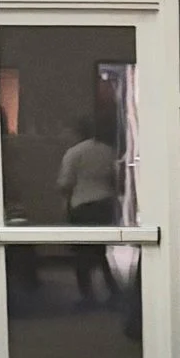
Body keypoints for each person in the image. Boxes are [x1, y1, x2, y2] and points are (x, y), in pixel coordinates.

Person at [57, 114, 119, 301]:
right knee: (101, 251)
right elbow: (115, 179)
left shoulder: (74, 153)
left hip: (82, 204)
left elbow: (65, 183)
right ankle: (113, 289)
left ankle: (87, 294)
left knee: (82, 253)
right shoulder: (108, 151)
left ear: (77, 132)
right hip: (105, 203)